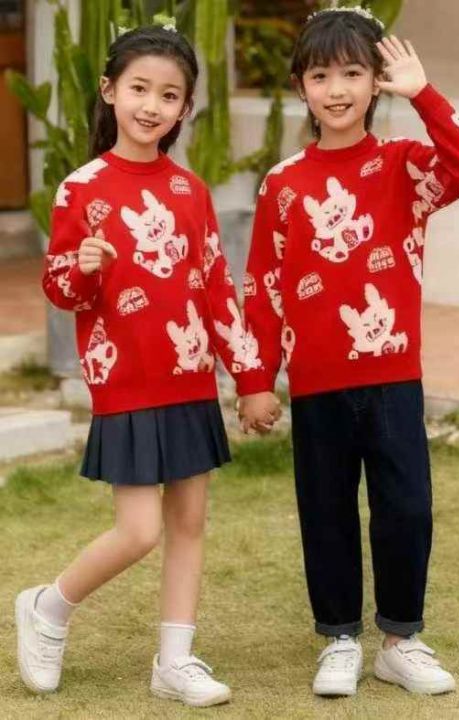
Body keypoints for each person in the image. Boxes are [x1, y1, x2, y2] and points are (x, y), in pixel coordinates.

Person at [238, 5, 459, 697]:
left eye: (352, 73)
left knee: (406, 506)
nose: (337, 89)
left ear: (374, 82)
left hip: (393, 377)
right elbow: (263, 286)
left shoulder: (404, 166)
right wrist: (255, 379)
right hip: (315, 383)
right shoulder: (283, 183)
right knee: (325, 511)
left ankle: (400, 640)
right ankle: (340, 639)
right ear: (300, 86)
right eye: (320, 75)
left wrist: (423, 93)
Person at [15, 23, 271, 707]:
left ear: (185, 107)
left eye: (169, 94)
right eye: (139, 89)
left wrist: (250, 380)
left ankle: (174, 661)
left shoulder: (191, 191)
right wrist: (82, 266)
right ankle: (47, 607)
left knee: (188, 524)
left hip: (190, 380)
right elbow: (61, 291)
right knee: (139, 531)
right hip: (125, 382)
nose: (151, 106)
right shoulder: (80, 189)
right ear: (109, 91)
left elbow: (215, 287)